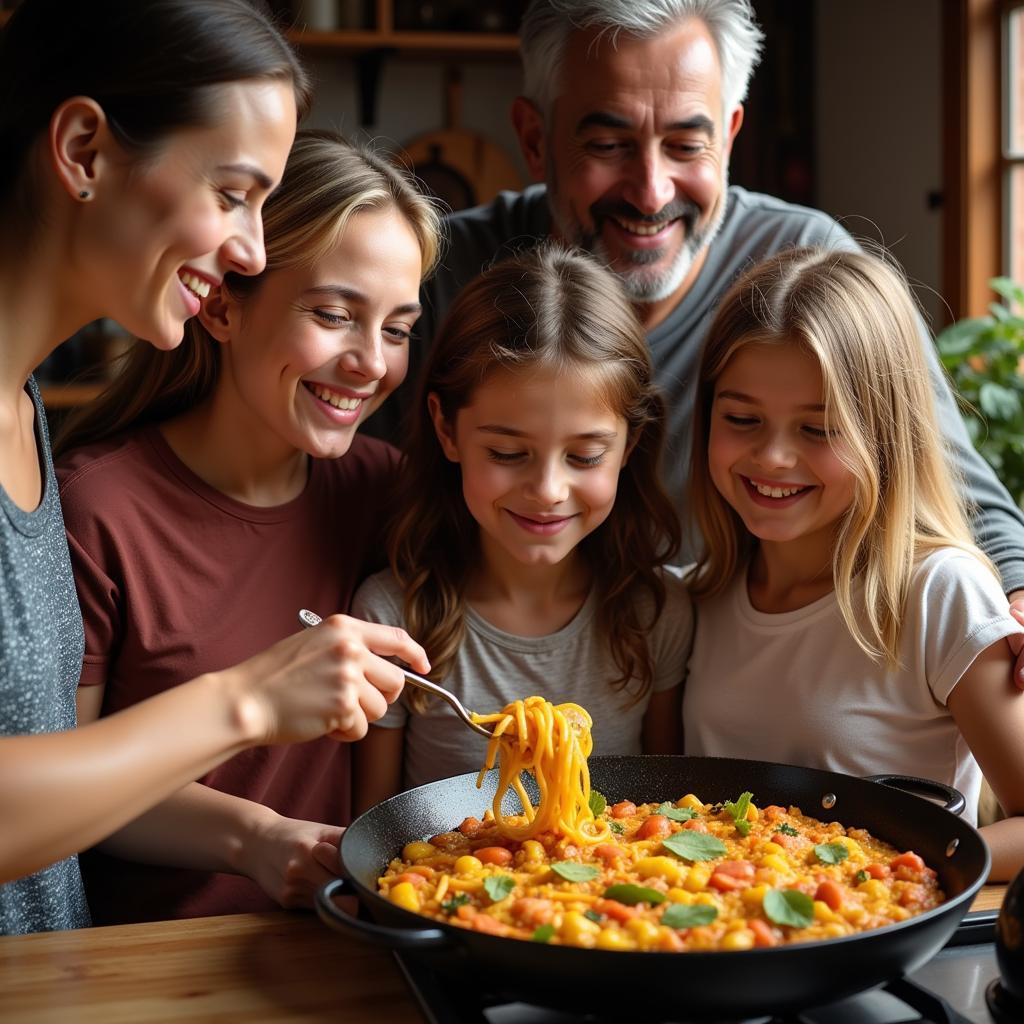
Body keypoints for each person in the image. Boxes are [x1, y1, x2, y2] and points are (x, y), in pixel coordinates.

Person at [365, 0, 1024, 672]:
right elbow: (340, 484)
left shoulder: (804, 268)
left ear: (731, 135)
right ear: (535, 138)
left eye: (686, 145)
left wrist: (1018, 593)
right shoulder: (442, 278)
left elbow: (953, 493)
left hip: (724, 694)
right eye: (608, 145)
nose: (651, 192)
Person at [0, 1, 428, 936]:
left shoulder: (23, 418)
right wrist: (244, 703)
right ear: (81, 150)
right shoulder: (99, 493)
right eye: (233, 194)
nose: (249, 250)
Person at [682, 247, 1024, 880]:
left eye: (819, 429)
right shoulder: (700, 598)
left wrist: (873, 869)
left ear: (885, 434)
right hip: (713, 940)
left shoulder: (940, 591)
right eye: (742, 418)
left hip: (875, 940)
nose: (773, 456)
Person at [351, 244, 692, 811]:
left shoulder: (656, 612)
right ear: (447, 429)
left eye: (584, 457)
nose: (548, 491)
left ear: (629, 445)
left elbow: (671, 811)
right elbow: (374, 831)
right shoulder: (394, 621)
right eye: (508, 452)